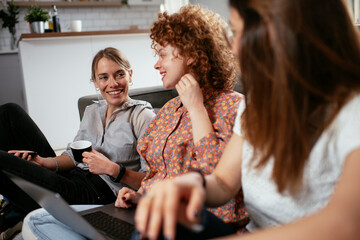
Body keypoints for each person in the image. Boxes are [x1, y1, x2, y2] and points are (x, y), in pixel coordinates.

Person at [133, 0, 360, 239]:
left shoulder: (352, 111)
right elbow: (222, 183)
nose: (235, 47)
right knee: (156, 225)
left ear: (283, 31)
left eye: (239, 32)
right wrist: (190, 184)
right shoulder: (259, 104)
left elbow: (346, 226)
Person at [22, 5, 248, 240]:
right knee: (37, 219)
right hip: (145, 213)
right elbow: (154, 174)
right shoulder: (169, 110)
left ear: (190, 53)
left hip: (192, 223)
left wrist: (196, 108)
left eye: (162, 54)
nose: (156, 64)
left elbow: (215, 179)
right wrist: (140, 195)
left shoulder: (231, 106)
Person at [0, 47, 155, 233]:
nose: (113, 83)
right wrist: (44, 162)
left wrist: (114, 169)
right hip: (72, 177)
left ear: (130, 75)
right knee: (9, 113)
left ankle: (20, 207)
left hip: (97, 194)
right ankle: (20, 206)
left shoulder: (143, 117)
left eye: (119, 74)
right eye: (104, 77)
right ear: (96, 82)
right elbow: (73, 156)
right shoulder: (93, 111)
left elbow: (153, 180)